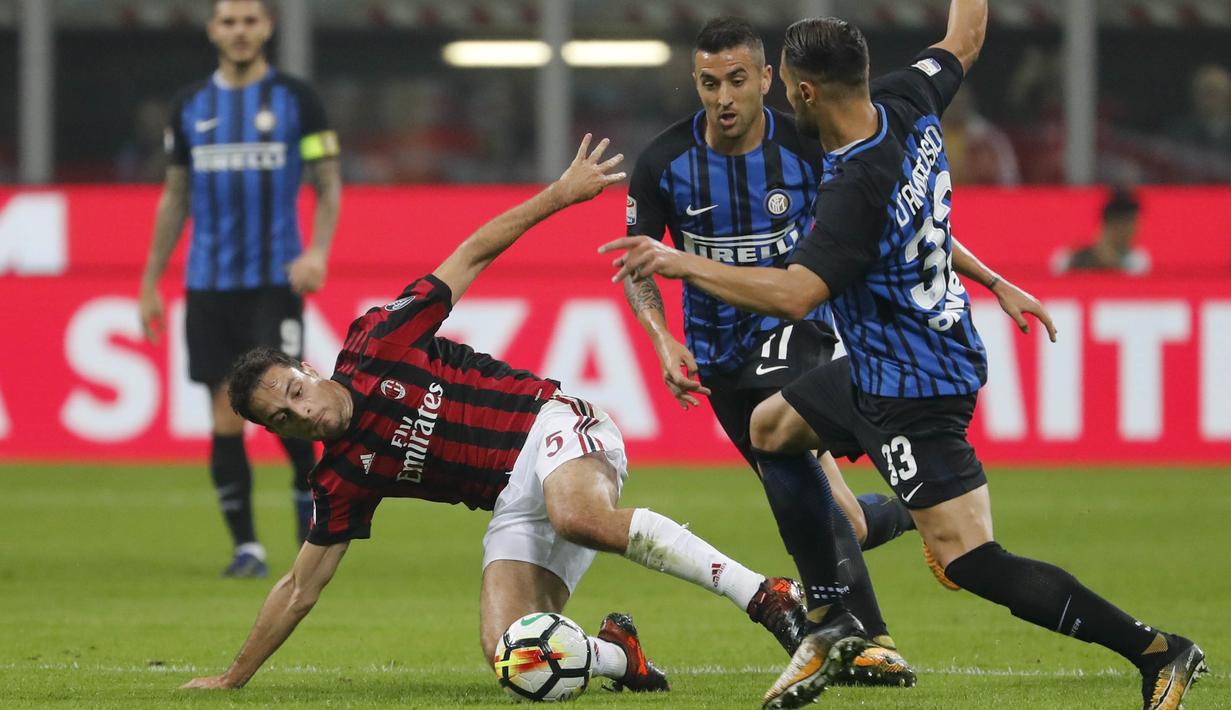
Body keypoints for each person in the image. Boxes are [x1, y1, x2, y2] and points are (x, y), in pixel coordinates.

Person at [601, 3, 1207, 709]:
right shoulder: (907, 95)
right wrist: (995, 279)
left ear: (795, 90)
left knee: (970, 562)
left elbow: (797, 295)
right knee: (772, 428)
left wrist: (683, 264)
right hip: (884, 356)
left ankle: (1157, 650)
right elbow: (966, 35)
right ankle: (834, 620)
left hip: (909, 383)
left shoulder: (852, 187)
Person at [180, 135, 809, 695]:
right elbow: (298, 588)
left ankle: (761, 594)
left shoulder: (377, 341)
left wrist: (560, 194)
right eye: (284, 421)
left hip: (553, 424)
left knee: (576, 513)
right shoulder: (341, 478)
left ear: (308, 371)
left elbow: (475, 251)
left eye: (293, 392)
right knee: (511, 655)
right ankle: (618, 657)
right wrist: (233, 680)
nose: (302, 413)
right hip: (510, 504)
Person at [621, 16, 920, 686]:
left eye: (735, 79)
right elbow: (639, 264)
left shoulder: (806, 145)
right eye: (707, 82)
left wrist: (979, 277)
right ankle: (912, 509)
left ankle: (869, 640)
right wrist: (662, 338)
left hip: (796, 332)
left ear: (764, 78)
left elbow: (881, 210)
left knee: (780, 450)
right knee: (834, 514)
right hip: (720, 359)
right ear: (694, 83)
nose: (722, 96)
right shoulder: (662, 163)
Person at [138, 0, 343, 578]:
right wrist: (150, 281)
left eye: (250, 21)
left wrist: (317, 251)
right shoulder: (190, 108)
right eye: (228, 21)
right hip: (209, 287)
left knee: (293, 406)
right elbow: (174, 198)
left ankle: (312, 539)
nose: (239, 31)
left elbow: (328, 184)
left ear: (267, 29)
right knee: (226, 417)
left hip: (274, 284)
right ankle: (247, 548)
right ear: (212, 31)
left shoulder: (298, 102)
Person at [1053, 187, 1150, 275]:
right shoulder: (1070, 256)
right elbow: (1057, 268)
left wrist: (1111, 262)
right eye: (1132, 223)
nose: (1137, 228)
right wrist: (1090, 256)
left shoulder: (1138, 258)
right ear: (1113, 225)